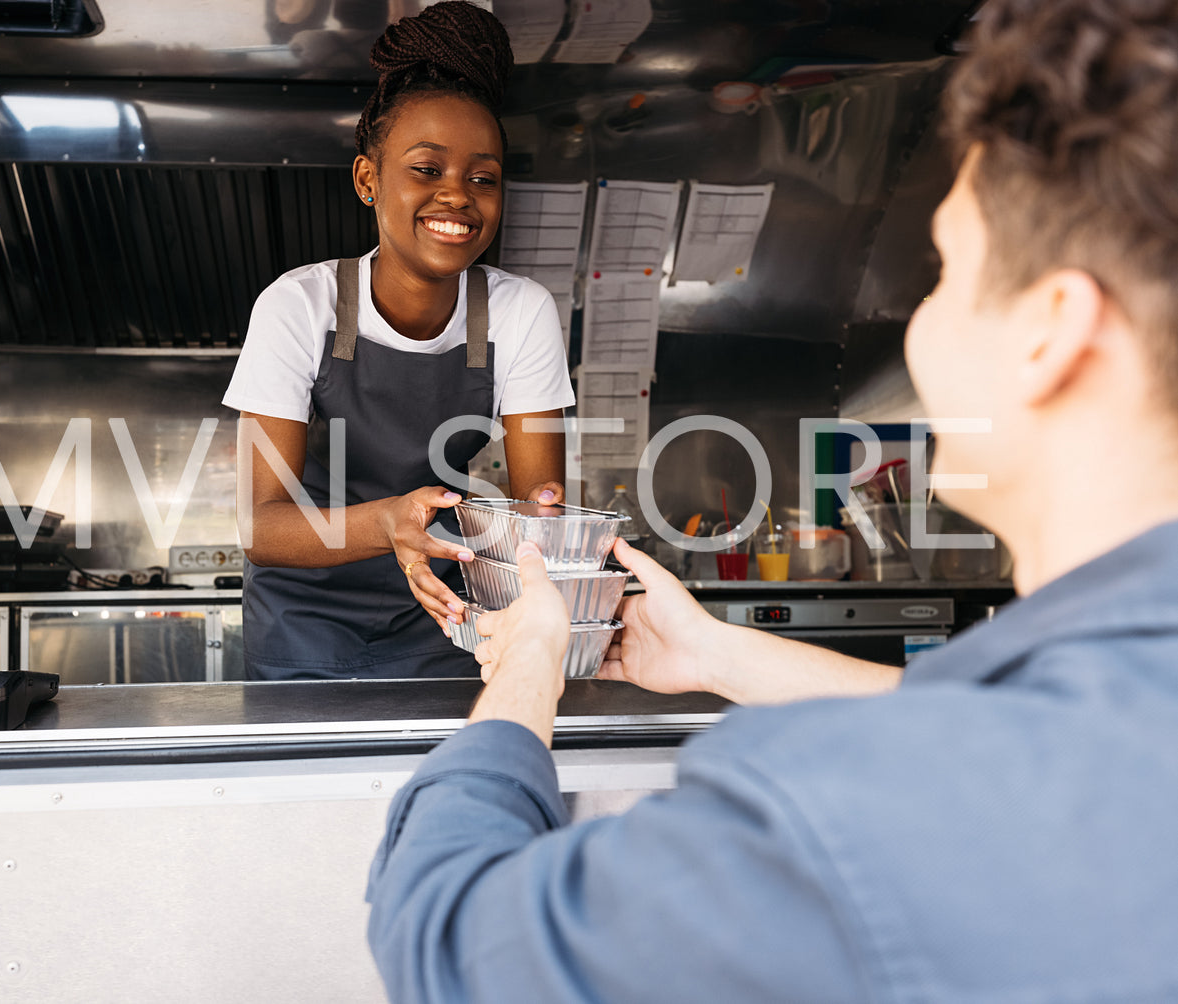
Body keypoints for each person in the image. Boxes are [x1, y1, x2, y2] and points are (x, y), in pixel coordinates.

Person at [366, 0, 1178, 998]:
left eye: (945, 278)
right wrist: (712, 651)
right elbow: (994, 733)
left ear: (1049, 332)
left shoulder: (834, 817)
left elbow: (452, 945)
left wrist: (531, 654)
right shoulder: (1109, 718)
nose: (916, 333)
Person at [225, 2, 574, 681]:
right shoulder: (301, 307)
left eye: (483, 177)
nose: (458, 197)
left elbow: (543, 517)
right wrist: (390, 521)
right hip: (305, 626)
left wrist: (553, 542)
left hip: (447, 615)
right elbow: (262, 529)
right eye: (426, 169)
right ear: (367, 180)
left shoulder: (519, 312)